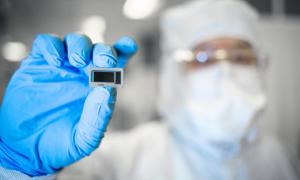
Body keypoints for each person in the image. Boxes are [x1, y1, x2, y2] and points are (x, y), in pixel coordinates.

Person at [0, 0, 298, 179]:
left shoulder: (278, 157)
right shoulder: (123, 159)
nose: (226, 71)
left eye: (240, 56)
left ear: (260, 64)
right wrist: (19, 169)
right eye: (204, 57)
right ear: (174, 74)